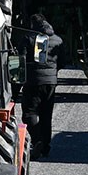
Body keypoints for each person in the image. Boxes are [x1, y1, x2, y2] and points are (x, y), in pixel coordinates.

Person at [25, 13, 62, 160]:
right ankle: (46, 147)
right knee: (46, 115)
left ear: (33, 25)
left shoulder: (28, 39)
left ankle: (37, 140)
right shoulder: (58, 40)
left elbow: (19, 61)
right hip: (51, 82)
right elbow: (63, 61)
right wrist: (52, 72)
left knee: (29, 113)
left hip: (33, 82)